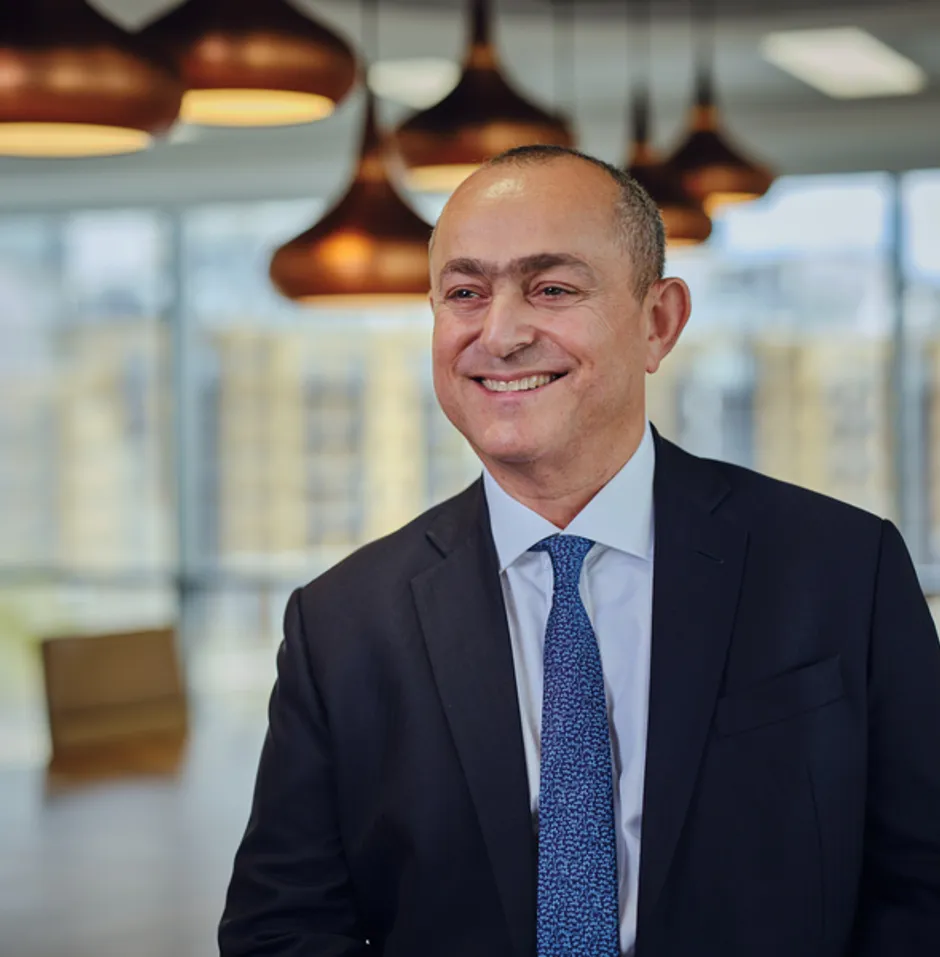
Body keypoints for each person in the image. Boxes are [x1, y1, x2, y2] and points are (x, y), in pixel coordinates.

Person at [218, 145, 940, 957]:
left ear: (657, 322)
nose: (500, 333)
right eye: (465, 293)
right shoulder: (343, 622)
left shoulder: (845, 570)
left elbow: (921, 887)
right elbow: (279, 928)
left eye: (551, 289)